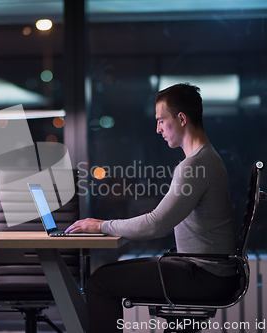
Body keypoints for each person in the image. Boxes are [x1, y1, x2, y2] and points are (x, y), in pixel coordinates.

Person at [65, 83, 239, 332]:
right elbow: (159, 220)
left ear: (181, 119)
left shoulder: (196, 166)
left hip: (204, 277)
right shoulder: (206, 160)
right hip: (207, 272)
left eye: (161, 120)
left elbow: (157, 224)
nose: (157, 129)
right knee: (104, 275)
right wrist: (116, 229)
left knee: (100, 283)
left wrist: (101, 226)